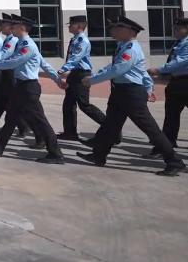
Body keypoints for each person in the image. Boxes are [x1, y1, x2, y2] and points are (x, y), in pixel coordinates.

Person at [77, 16, 186, 177]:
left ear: (127, 31)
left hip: (131, 94)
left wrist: (91, 80)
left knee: (150, 129)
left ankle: (175, 162)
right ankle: (98, 155)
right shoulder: (123, 46)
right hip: (121, 92)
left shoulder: (131, 49)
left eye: (116, 28)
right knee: (111, 125)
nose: (112, 31)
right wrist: (148, 87)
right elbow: (129, 69)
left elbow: (118, 69)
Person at [0, 15, 67, 163]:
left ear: (22, 28)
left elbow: (13, 62)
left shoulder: (28, 46)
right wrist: (57, 80)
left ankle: (56, 153)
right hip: (21, 86)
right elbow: (44, 64)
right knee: (11, 117)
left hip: (28, 88)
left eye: (15, 26)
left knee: (40, 121)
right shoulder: (21, 43)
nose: (11, 28)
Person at [56, 15, 106, 141]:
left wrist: (63, 69)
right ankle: (70, 132)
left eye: (71, 24)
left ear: (78, 26)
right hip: (75, 74)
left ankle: (111, 128)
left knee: (84, 105)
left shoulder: (82, 41)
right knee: (68, 104)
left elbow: (76, 58)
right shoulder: (75, 39)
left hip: (82, 74)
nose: (69, 26)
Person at [146, 17, 188, 157]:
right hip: (176, 83)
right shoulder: (179, 43)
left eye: (178, 28)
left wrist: (159, 70)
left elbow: (180, 62)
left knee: (171, 116)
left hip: (185, 83)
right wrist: (165, 76)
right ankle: (166, 145)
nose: (175, 31)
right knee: (171, 117)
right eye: (174, 28)